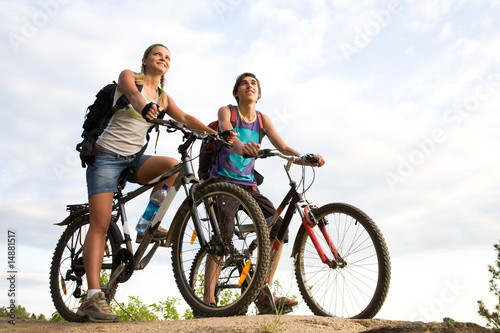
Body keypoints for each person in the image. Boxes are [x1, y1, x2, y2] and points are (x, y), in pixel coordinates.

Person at [78, 44, 218, 322]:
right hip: (105, 157)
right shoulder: (129, 76)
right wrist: (146, 107)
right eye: (158, 54)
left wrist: (217, 133)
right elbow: (131, 94)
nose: (163, 59)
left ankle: (146, 226)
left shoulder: (164, 97)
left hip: (134, 160)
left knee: (171, 167)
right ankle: (92, 297)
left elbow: (187, 118)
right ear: (145, 60)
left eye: (167, 57)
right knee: (101, 223)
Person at [204, 72, 325, 314]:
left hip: (248, 186)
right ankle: (207, 301)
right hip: (222, 183)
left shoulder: (262, 119)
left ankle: (263, 293)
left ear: (259, 93)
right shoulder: (228, 111)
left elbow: (282, 147)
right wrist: (243, 148)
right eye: (244, 84)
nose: (249, 86)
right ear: (236, 91)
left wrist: (305, 158)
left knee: (279, 229)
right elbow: (228, 134)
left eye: (254, 84)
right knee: (222, 237)